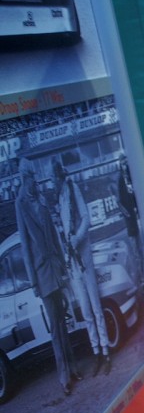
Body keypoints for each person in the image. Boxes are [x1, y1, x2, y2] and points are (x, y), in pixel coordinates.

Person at [14, 157, 77, 395]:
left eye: (33, 177)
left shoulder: (40, 198)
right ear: (24, 178)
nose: (34, 181)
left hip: (55, 270)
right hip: (42, 275)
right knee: (55, 327)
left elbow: (54, 235)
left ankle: (73, 368)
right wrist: (33, 281)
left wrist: (63, 265)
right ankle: (64, 377)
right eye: (31, 177)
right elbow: (25, 245)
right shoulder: (21, 203)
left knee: (63, 321)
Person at [54, 159, 111, 376]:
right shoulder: (59, 197)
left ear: (59, 175)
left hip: (84, 256)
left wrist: (76, 239)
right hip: (72, 263)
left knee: (96, 306)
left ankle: (106, 351)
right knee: (86, 311)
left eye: (53, 177)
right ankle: (96, 351)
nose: (52, 182)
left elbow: (86, 218)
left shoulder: (72, 188)